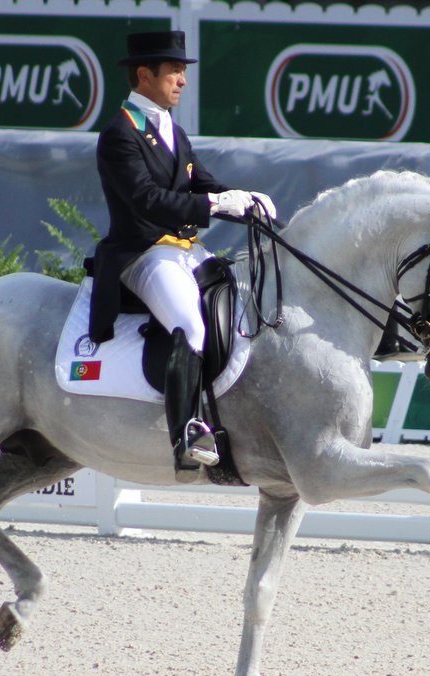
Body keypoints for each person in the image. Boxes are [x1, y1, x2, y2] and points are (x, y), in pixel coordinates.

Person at [87, 30, 275, 481]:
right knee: (189, 322)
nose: (182, 81)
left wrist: (242, 199)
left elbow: (199, 182)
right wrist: (214, 206)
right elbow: (148, 200)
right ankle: (186, 437)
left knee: (234, 296)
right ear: (144, 74)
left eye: (183, 72)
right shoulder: (119, 135)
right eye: (174, 71)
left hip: (183, 248)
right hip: (142, 253)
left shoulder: (173, 129)